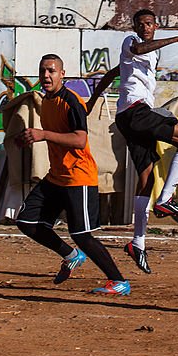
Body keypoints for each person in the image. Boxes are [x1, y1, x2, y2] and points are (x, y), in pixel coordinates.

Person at [86, 8, 178, 274]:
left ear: (155, 25)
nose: (145, 27)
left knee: (146, 177)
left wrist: (92, 100)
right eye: (141, 24)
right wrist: (177, 39)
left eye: (149, 23)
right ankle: (166, 198)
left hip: (133, 116)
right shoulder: (131, 43)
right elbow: (138, 50)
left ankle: (138, 242)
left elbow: (113, 73)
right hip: (135, 112)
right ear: (135, 28)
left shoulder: (151, 52)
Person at [15, 54, 130, 295]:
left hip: (79, 177)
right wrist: (27, 138)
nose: (46, 76)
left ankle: (118, 281)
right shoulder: (46, 100)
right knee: (26, 221)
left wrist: (43, 134)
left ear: (62, 74)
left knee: (81, 235)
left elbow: (80, 140)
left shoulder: (71, 101)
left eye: (51, 71)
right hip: (56, 176)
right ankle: (70, 255)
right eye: (43, 71)